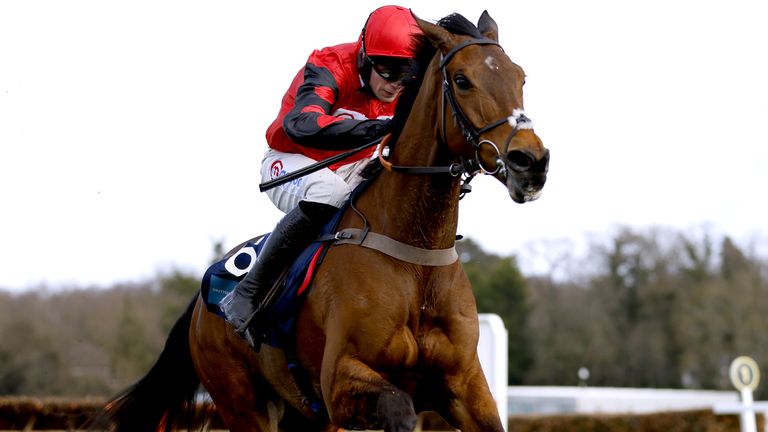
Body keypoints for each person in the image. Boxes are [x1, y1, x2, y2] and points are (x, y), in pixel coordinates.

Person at [219, 5, 423, 346]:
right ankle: (246, 293)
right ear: (365, 58)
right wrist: (380, 127)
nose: (395, 85)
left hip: (349, 167)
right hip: (291, 161)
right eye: (388, 71)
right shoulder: (330, 65)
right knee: (328, 193)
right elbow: (301, 124)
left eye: (407, 74)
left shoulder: (403, 85)